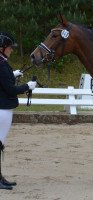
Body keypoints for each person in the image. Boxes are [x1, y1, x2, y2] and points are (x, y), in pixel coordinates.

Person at [0, 32, 37, 190]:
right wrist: (28, 86)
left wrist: (13, 74)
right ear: (2, 48)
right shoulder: (1, 64)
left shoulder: (2, 62)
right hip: (3, 109)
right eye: (9, 48)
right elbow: (9, 89)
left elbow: (4, 80)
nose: (12, 50)